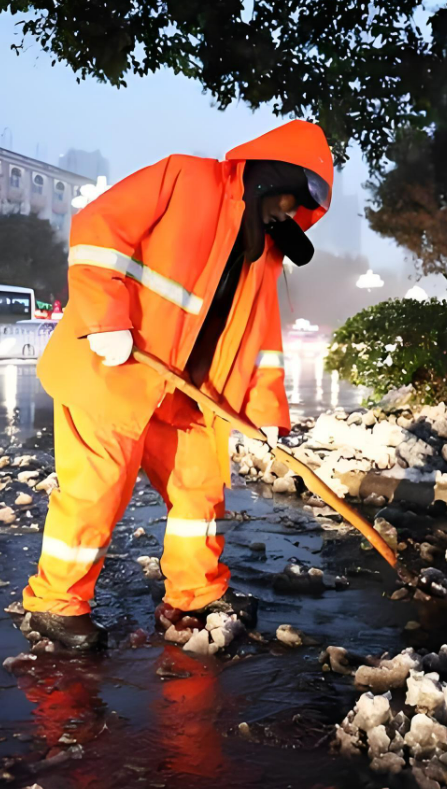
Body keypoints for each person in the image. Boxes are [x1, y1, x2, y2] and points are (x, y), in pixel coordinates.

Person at [24, 120, 334, 649]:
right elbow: (98, 230)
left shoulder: (264, 253)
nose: (288, 215)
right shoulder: (183, 180)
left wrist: (264, 409)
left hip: (187, 392)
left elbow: (261, 337)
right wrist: (106, 321)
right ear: (270, 178)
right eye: (287, 201)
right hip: (113, 368)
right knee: (96, 493)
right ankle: (55, 605)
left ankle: (195, 594)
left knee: (199, 491)